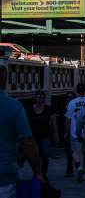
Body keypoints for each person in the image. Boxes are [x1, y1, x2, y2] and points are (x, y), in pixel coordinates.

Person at [0, 63, 43, 197]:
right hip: (5, 178)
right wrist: (37, 171)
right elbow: (27, 143)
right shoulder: (14, 107)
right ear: (5, 81)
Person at [26, 90, 59, 181]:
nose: (40, 99)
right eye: (38, 97)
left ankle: (43, 173)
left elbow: (54, 124)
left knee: (45, 155)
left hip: (45, 135)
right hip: (33, 136)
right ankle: (36, 172)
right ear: (35, 98)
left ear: (44, 98)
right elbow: (25, 123)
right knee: (34, 156)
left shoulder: (48, 109)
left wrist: (56, 136)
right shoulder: (29, 109)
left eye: (42, 97)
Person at [65, 82, 85, 182]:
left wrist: (66, 132)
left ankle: (79, 168)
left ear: (77, 91)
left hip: (74, 131)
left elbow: (68, 120)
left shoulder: (71, 103)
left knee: (75, 152)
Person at [63, 91, 76, 177]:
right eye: (68, 97)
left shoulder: (74, 106)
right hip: (68, 132)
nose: (69, 99)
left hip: (75, 132)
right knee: (68, 152)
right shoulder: (64, 107)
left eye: (71, 97)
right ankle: (70, 168)